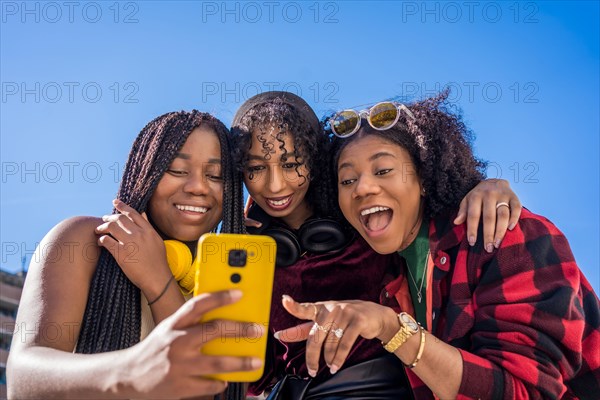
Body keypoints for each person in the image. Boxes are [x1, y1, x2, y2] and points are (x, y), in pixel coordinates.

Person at [276, 91, 600, 399]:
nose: (362, 188)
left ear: (424, 180)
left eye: (383, 169)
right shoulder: (387, 273)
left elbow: (525, 392)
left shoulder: (505, 235)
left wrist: (394, 330)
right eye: (347, 180)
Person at [230, 91, 524, 398]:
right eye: (256, 169)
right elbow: (250, 373)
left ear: (315, 160)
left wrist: (485, 186)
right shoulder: (245, 245)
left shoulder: (365, 220)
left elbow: (423, 198)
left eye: (291, 164)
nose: (275, 185)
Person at [6, 110, 260, 400]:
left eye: (215, 176)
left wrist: (158, 281)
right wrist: (129, 371)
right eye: (177, 170)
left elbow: (204, 393)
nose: (198, 187)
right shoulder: (85, 240)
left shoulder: (231, 280)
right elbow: (22, 380)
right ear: (145, 175)